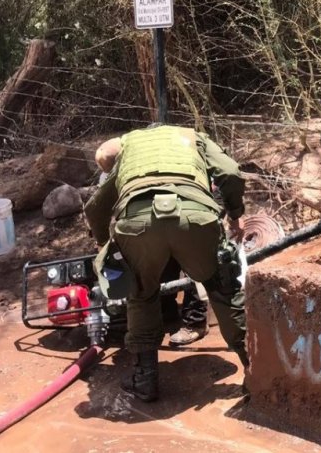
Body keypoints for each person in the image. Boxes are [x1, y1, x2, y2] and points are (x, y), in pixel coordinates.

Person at [84, 124, 248, 402]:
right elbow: (231, 172)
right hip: (196, 217)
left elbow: (96, 207)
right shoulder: (194, 137)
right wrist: (235, 213)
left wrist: (102, 243)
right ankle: (256, 368)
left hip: (138, 225)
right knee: (222, 286)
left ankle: (145, 380)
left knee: (141, 294)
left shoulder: (129, 146)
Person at [96, 138, 211, 347]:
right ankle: (165, 310)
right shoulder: (113, 173)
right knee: (156, 257)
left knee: (192, 264)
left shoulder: (165, 159)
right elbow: (104, 207)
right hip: (151, 215)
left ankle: (195, 322)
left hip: (186, 205)